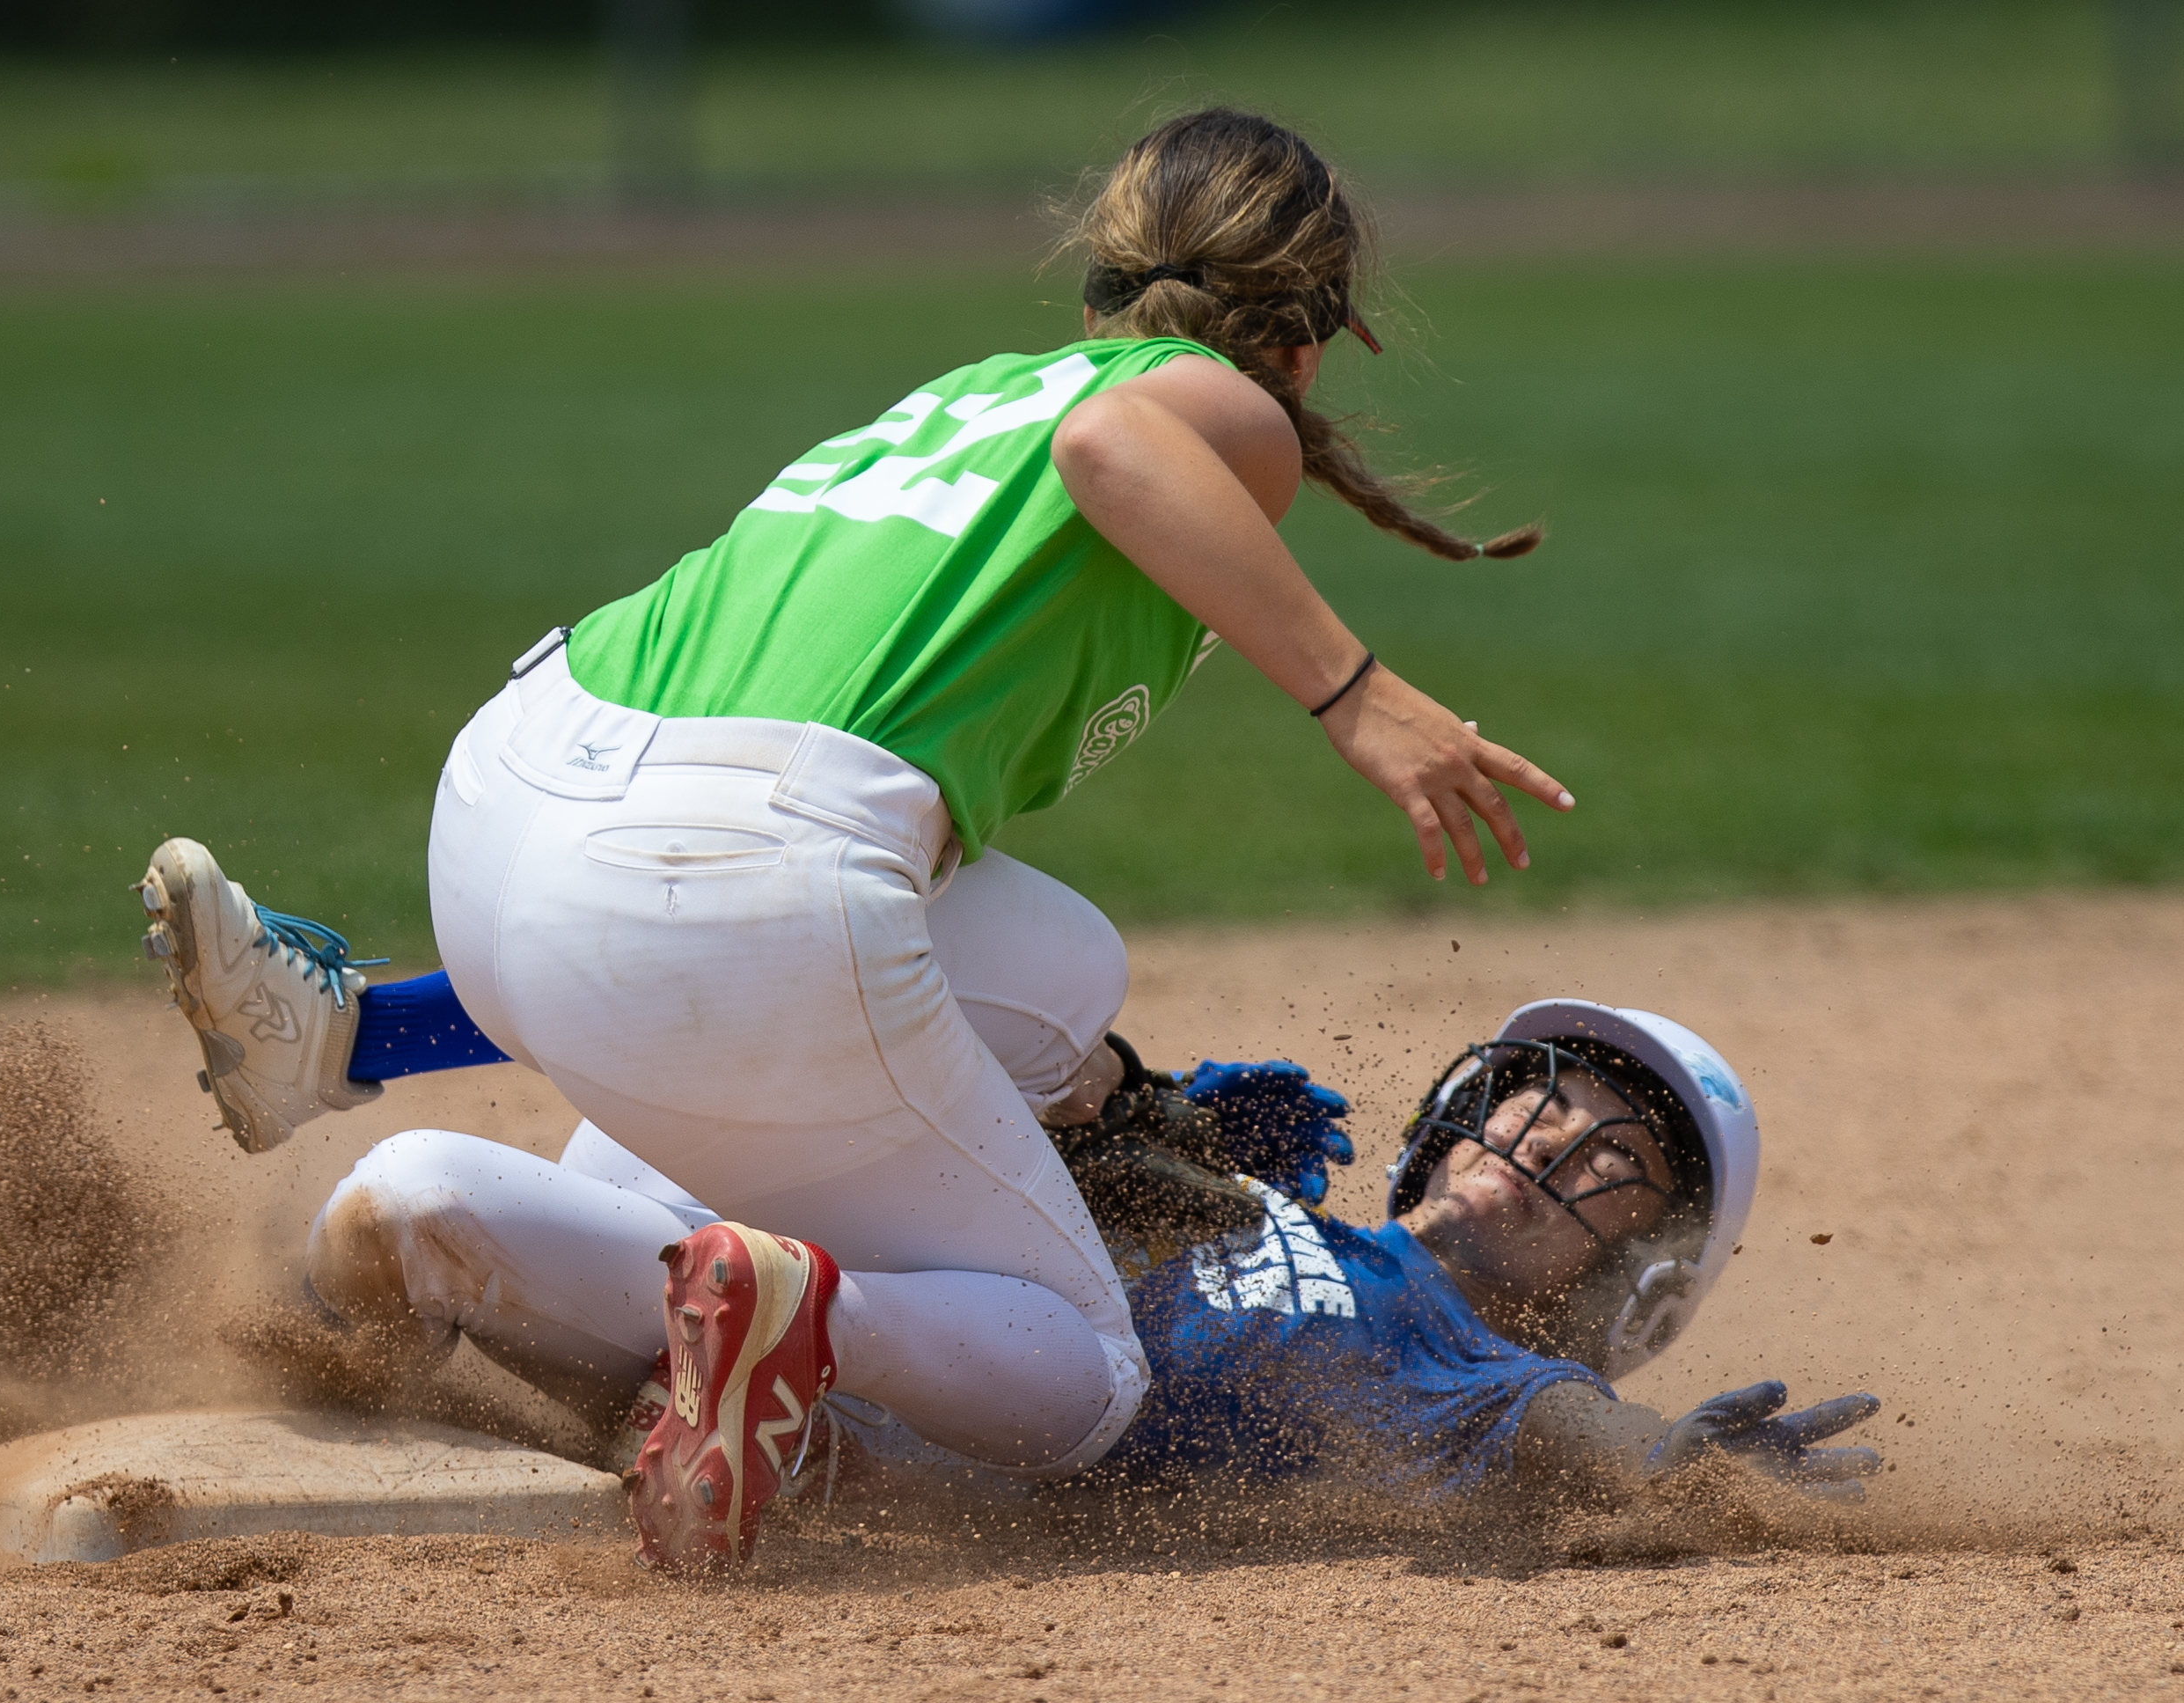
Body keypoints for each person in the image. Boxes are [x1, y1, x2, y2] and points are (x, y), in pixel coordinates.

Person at [138, 108, 1587, 1570]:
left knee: (1058, 971)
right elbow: (1115, 441)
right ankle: (801, 1308)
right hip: (721, 866)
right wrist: (1357, 696)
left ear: (1100, 280)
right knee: (1078, 1376)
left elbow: (673, 871)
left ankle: (397, 1139)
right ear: (1312, 326)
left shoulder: (974, 394)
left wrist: (1087, 1088)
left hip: (515, 796)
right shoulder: (1207, 406)